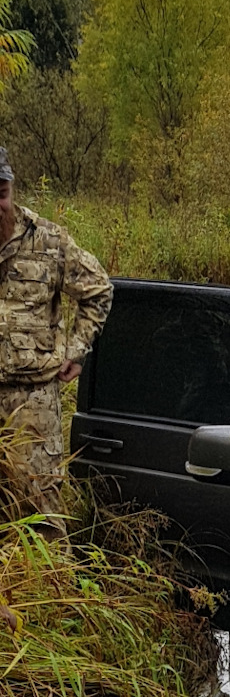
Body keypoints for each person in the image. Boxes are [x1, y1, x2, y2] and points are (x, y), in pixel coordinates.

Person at [0, 146, 113, 523]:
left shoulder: (48, 241)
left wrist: (76, 351)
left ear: (13, 190)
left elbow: (98, 289)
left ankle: (47, 584)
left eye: (1, 193)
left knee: (41, 510)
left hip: (33, 404)